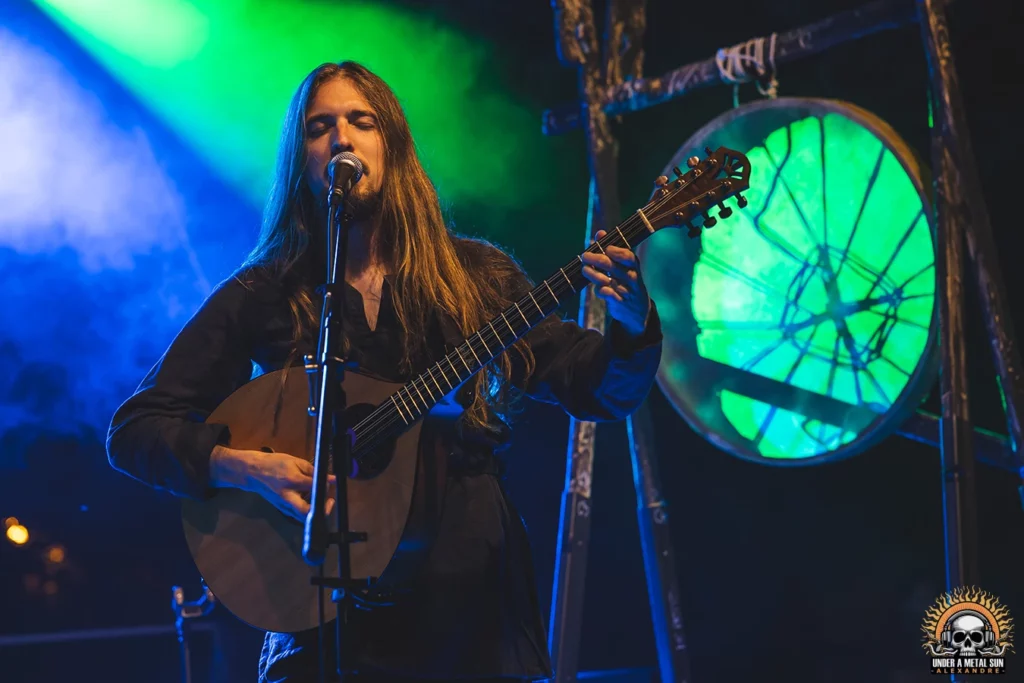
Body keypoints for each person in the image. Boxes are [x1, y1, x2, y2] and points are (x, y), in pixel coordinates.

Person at [106, 61, 663, 683]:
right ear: (303, 158)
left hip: (465, 603)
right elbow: (136, 429)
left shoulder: (475, 277)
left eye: (359, 121)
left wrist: (633, 323)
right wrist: (240, 465)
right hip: (320, 603)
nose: (340, 138)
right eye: (320, 127)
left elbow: (598, 388)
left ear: (391, 145)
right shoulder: (267, 291)